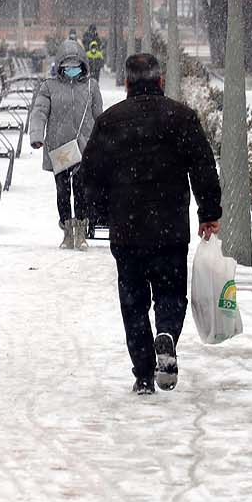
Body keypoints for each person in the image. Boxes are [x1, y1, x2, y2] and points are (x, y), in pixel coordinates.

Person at [81, 52, 222, 395]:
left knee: (132, 302)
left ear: (127, 83)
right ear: (160, 81)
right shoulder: (181, 117)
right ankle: (168, 335)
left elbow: (91, 174)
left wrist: (98, 214)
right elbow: (203, 165)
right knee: (171, 293)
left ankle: (144, 374)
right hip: (170, 227)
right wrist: (209, 212)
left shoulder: (110, 121)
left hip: (126, 230)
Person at [27, 39, 104, 250]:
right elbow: (39, 112)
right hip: (59, 148)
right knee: (62, 190)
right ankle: (67, 229)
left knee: (81, 189)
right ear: (59, 65)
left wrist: (104, 141)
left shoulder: (91, 87)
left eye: (75, 65)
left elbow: (99, 117)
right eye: (67, 66)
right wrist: (36, 135)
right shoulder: (49, 87)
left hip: (84, 148)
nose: (71, 69)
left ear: (83, 65)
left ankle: (80, 231)